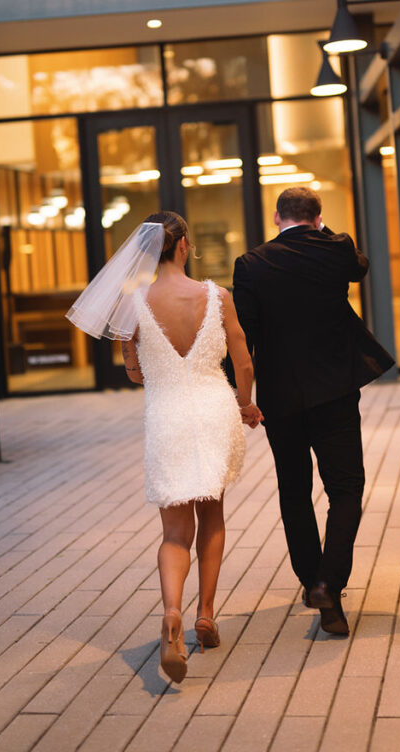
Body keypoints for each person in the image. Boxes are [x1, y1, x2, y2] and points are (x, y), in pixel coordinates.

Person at [67, 211, 262, 684]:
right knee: (212, 515)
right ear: (183, 246)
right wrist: (246, 406)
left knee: (175, 533)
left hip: (167, 417)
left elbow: (134, 371)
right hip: (214, 409)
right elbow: (243, 360)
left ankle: (172, 611)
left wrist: (141, 360)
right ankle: (206, 615)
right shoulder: (216, 296)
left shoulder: (133, 304)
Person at [230, 187, 394, 636]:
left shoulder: (251, 264)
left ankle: (312, 582)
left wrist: (239, 395)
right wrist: (326, 232)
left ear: (276, 216)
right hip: (335, 392)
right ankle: (328, 585)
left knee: (294, 491)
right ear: (317, 218)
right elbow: (358, 266)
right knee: (345, 489)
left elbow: (244, 335)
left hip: (281, 399)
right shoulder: (335, 248)